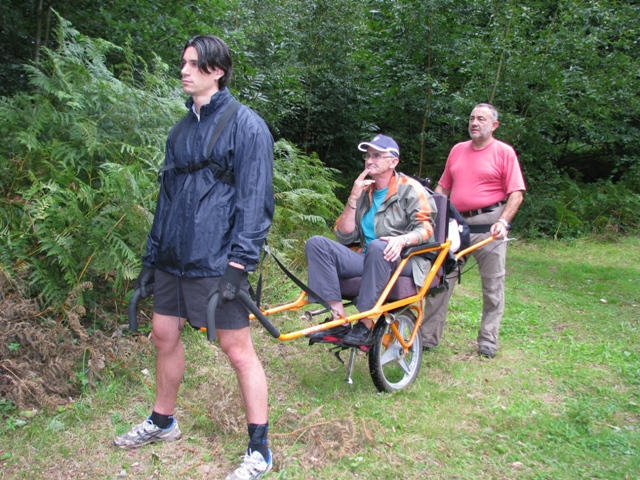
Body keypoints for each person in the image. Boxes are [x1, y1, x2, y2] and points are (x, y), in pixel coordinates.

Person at [113, 35, 275, 480]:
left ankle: (259, 449)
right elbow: (166, 199)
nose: (183, 70)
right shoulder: (180, 130)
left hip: (218, 259)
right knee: (163, 334)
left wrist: (240, 266)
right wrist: (150, 259)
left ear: (217, 70)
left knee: (237, 348)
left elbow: (256, 201)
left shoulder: (247, 126)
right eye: (182, 63)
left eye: (192, 64)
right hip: (172, 258)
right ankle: (163, 421)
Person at [305, 134, 436, 346]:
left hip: (405, 259)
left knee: (378, 246)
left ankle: (365, 324)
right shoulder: (366, 191)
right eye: (367, 156)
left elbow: (427, 228)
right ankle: (339, 321)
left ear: (393, 162)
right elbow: (344, 234)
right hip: (369, 256)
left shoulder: (410, 189)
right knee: (317, 243)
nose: (369, 161)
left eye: (377, 155)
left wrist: (402, 240)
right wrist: (353, 198)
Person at [420, 103, 525, 358]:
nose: (475, 123)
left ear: (494, 125)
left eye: (481, 119)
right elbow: (443, 189)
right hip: (457, 225)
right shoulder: (457, 150)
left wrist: (504, 221)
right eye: (472, 118)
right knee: (441, 279)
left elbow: (516, 193)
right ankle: (426, 338)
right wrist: (434, 216)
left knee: (492, 286)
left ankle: (488, 341)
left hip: (490, 227)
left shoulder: (504, 152)